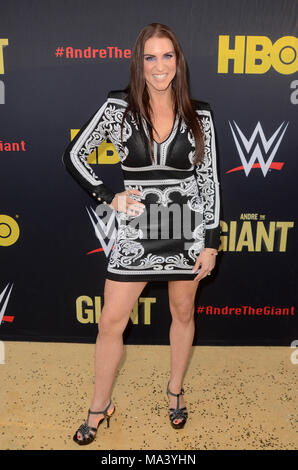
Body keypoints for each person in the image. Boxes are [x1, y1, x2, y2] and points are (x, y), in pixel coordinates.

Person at [62, 23, 221, 445]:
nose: (159, 66)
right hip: (136, 230)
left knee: (183, 315)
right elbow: (75, 155)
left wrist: (210, 242)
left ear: (178, 61)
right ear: (138, 62)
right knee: (110, 322)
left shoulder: (199, 114)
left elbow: (208, 184)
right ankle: (100, 405)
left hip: (186, 231)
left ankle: (174, 389)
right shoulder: (118, 107)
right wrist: (107, 196)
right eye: (150, 57)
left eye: (167, 56)